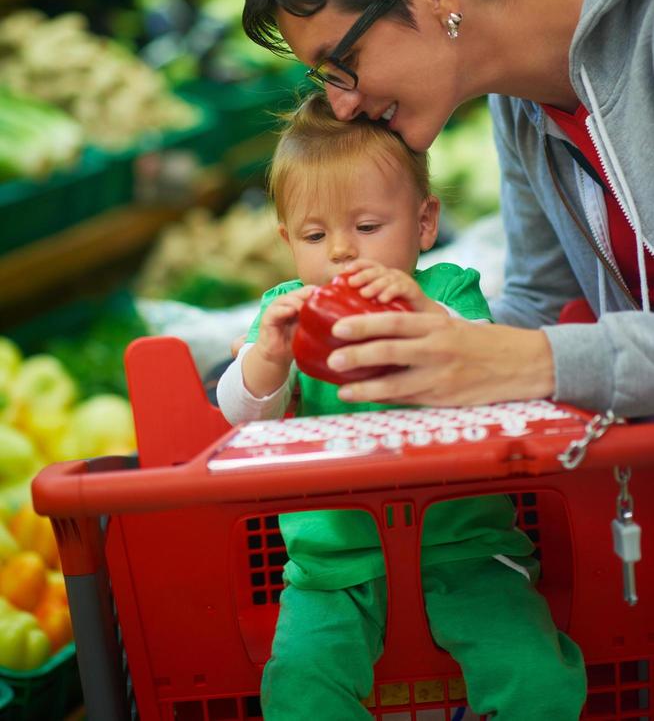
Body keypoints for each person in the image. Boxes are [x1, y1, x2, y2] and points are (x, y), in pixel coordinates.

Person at [241, 0, 653, 419]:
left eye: (344, 63)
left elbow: (530, 349)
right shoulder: (520, 101)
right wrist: (409, 329)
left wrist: (536, 361)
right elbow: (541, 304)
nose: (342, 106)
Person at [217, 92, 586, 721]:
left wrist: (424, 316)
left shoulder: (447, 291)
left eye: (367, 228)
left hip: (467, 549)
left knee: (536, 675)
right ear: (287, 241)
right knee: (298, 688)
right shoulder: (287, 310)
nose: (341, 252)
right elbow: (239, 416)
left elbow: (486, 365)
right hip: (334, 568)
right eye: (314, 234)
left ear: (423, 223)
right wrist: (268, 358)